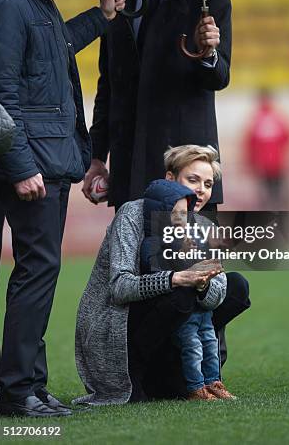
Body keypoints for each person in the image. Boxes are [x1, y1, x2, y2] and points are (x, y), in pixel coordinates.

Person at [0, 0, 126, 417]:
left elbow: (54, 49)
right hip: (29, 160)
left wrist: (103, 14)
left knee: (33, 271)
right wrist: (22, 164)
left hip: (32, 153)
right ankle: (19, 391)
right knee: (37, 270)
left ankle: (21, 382)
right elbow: (1, 90)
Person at [74, 145, 250, 405]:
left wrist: (201, 284)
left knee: (236, 286)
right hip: (122, 331)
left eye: (208, 183)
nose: (201, 189)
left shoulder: (204, 226)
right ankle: (135, 374)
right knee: (181, 294)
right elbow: (120, 288)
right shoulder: (132, 214)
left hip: (176, 329)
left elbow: (214, 298)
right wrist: (176, 279)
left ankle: (189, 372)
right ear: (170, 178)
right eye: (193, 179)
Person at [82, 0, 232, 210]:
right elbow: (108, 83)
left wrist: (209, 52)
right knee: (133, 255)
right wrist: (96, 156)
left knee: (190, 257)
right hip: (131, 162)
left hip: (184, 163)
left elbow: (220, 78)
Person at [141, 178, 235, 400]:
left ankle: (214, 382)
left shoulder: (193, 234)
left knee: (211, 344)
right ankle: (196, 387)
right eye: (175, 214)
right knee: (192, 347)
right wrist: (179, 253)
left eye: (184, 214)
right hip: (183, 310)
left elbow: (204, 262)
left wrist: (205, 269)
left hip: (202, 309)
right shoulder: (154, 241)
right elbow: (155, 268)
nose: (181, 220)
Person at [245, 91, 289, 210]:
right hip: (275, 162)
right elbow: (288, 136)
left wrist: (251, 161)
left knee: (270, 191)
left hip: (268, 163)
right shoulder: (276, 117)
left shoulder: (258, 119)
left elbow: (249, 143)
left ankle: (272, 212)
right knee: (276, 190)